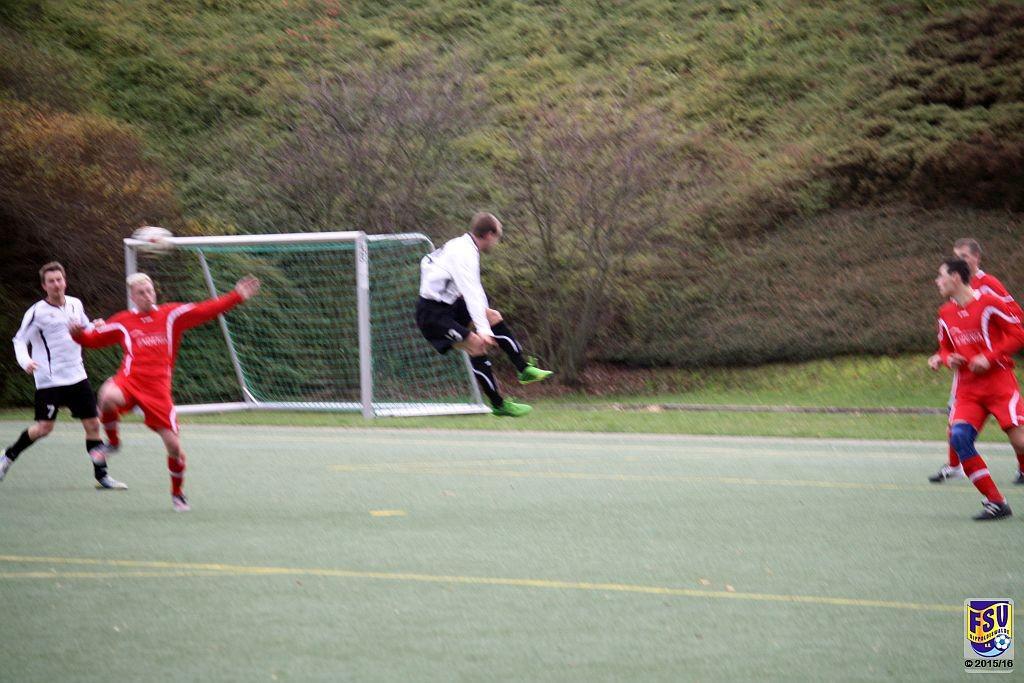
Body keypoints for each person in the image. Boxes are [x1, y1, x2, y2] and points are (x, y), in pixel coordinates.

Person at [70, 272, 261, 511]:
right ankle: (113, 443)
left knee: (174, 448)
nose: (147, 295)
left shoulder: (171, 315)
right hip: (129, 381)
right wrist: (77, 334)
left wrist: (236, 296)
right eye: (141, 292)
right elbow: (91, 340)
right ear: (132, 297)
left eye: (149, 290)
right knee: (107, 396)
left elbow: (206, 309)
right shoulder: (122, 321)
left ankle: (177, 494)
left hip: (158, 391)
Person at [1, 262, 126, 489]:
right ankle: (7, 457)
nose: (56, 284)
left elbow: (86, 329)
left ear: (65, 281)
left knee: (93, 425)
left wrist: (97, 326)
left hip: (77, 376)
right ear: (44, 286)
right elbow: (19, 340)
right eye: (51, 281)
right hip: (50, 381)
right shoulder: (37, 312)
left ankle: (102, 476)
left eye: (59, 279)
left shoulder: (75, 304)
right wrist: (26, 361)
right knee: (43, 429)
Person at [416, 212, 553, 417]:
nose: (496, 243)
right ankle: (499, 404)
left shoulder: (465, 246)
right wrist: (483, 330)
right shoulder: (464, 253)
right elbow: (470, 293)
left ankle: (523, 369)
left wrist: (485, 324)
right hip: (432, 314)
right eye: (497, 237)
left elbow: (474, 289)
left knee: (492, 315)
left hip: (449, 305)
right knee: (477, 344)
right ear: (489, 234)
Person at [929, 258, 1024, 520]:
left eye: (941, 276)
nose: (937, 281)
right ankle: (996, 502)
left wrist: (989, 357)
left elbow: (1018, 334)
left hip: (999, 385)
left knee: (1020, 442)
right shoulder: (945, 313)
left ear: (955, 277)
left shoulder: (989, 303)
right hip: (969, 391)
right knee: (959, 437)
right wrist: (945, 358)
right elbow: (945, 347)